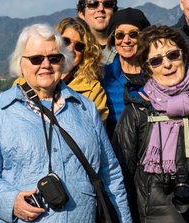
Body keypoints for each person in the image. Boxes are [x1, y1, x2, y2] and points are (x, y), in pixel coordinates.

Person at [0, 23, 134, 223]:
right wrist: (10, 201)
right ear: (20, 63)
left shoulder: (85, 109)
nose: (45, 65)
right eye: (35, 58)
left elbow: (110, 174)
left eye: (53, 57)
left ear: (63, 61)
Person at [112, 25, 189, 223]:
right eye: (156, 60)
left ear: (184, 56)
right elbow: (120, 181)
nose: (166, 64)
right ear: (147, 68)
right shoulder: (136, 114)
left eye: (172, 55)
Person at [14, 17, 108, 124]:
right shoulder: (21, 84)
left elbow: (95, 134)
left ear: (86, 52)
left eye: (79, 46)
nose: (71, 49)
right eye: (66, 41)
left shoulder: (93, 90)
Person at [100, 7, 150, 138]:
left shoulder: (155, 74)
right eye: (120, 35)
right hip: (118, 151)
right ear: (113, 39)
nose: (126, 40)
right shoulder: (103, 76)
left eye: (133, 34)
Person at [77, 0, 118, 65]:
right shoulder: (74, 49)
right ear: (82, 14)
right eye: (93, 4)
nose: (101, 9)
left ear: (114, 12)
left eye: (107, 3)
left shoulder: (127, 48)